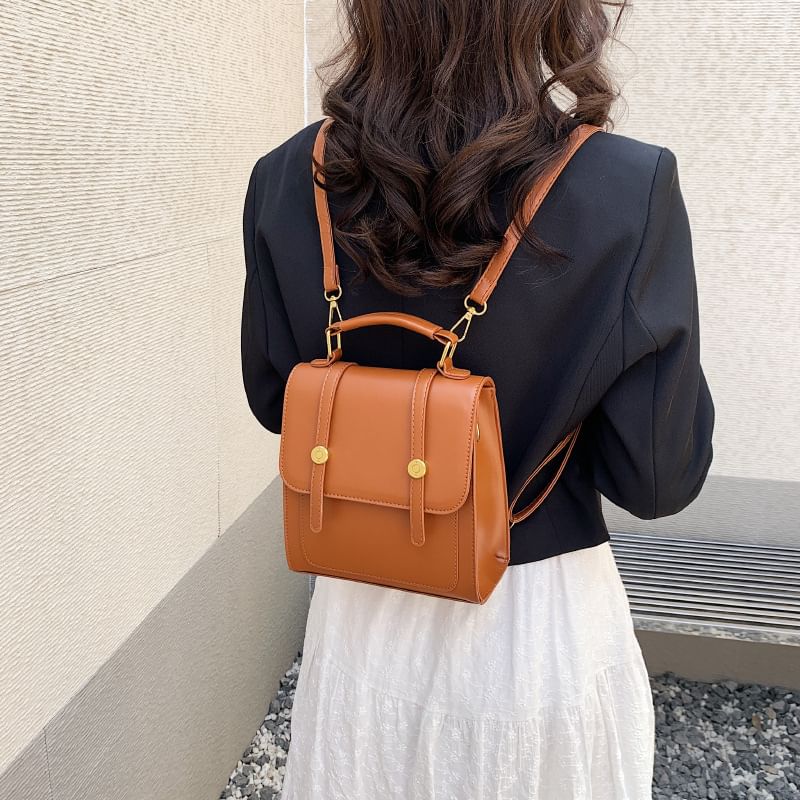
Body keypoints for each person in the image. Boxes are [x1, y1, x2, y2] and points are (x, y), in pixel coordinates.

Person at [240, 1, 715, 797]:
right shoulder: (628, 186)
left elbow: (272, 397)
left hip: (358, 625)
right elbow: (657, 479)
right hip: (531, 638)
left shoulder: (290, 175)